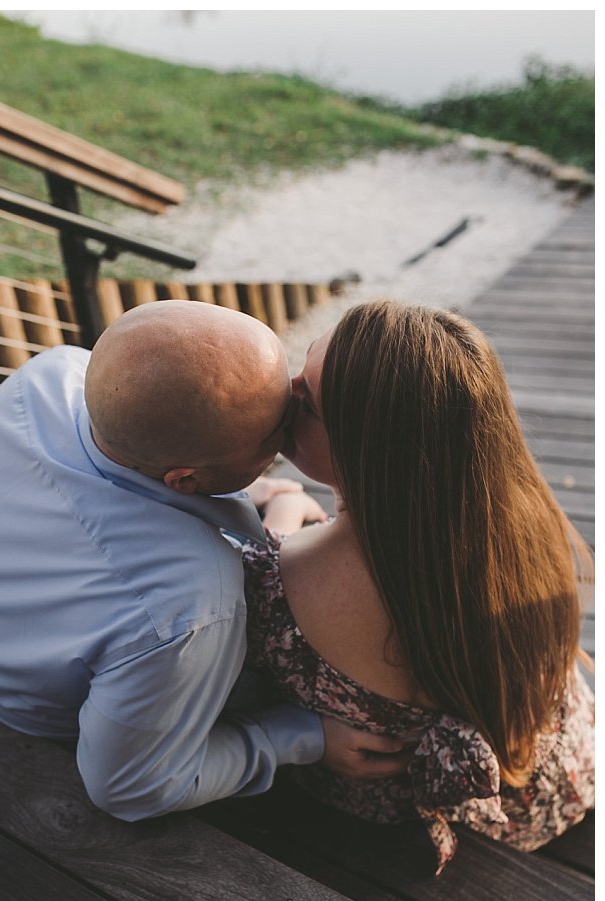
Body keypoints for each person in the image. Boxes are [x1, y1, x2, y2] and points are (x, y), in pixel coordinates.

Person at [0, 300, 405, 821]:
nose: (291, 428)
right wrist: (302, 737)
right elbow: (129, 787)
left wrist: (246, 491)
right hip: (22, 709)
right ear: (184, 480)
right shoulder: (191, 600)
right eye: (272, 436)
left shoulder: (48, 377)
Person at [243, 300, 594, 868]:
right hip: (551, 776)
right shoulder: (531, 529)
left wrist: (282, 502)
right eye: (300, 366)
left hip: (389, 833)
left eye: (307, 402)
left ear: (368, 454)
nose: (283, 393)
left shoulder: (284, 580)